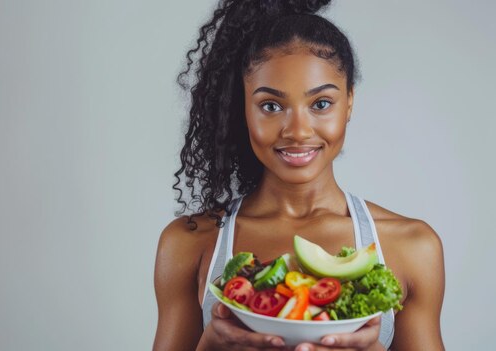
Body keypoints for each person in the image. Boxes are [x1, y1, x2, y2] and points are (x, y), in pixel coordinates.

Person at [153, 0, 445, 350]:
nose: (297, 131)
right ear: (243, 108)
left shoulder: (412, 246)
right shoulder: (190, 244)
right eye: (271, 106)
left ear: (349, 101)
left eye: (321, 104)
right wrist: (210, 346)